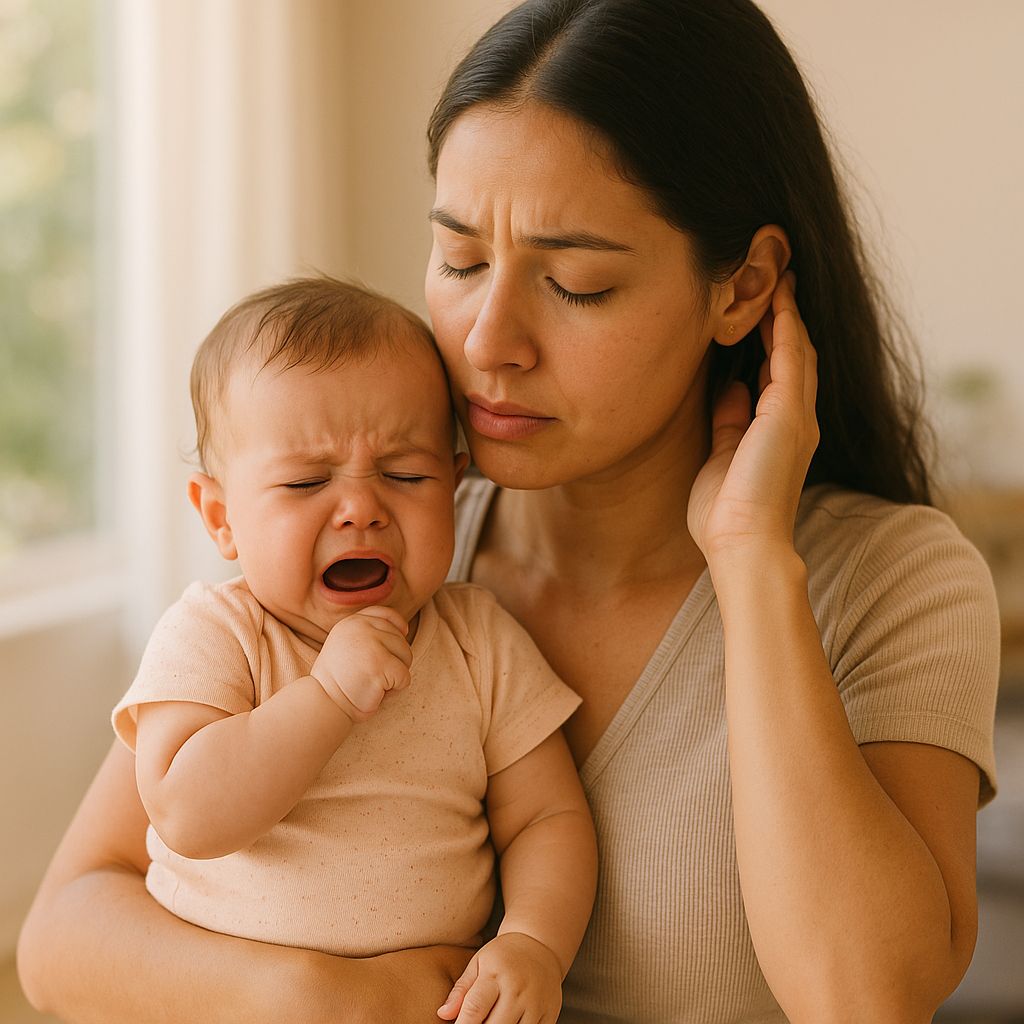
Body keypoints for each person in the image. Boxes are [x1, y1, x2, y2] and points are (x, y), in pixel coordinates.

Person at [18, 2, 1000, 1023]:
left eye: (574, 283)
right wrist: (323, 997)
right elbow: (61, 939)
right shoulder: (374, 539)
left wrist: (750, 560)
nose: (489, 339)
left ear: (742, 287)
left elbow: (867, 999)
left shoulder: (893, 581)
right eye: (459, 261)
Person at [108, 275, 595, 1023]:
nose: (362, 509)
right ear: (221, 516)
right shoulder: (217, 633)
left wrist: (534, 940)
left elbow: (546, 819)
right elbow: (184, 812)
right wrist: (327, 698)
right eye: (306, 482)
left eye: (406, 476)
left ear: (455, 491)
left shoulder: (477, 640)